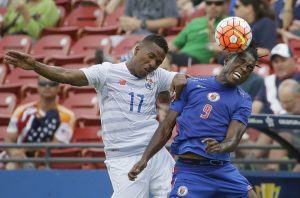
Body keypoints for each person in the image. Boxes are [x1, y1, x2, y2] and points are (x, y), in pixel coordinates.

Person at [4, 34, 187, 198]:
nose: (153, 64)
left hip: (156, 153)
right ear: (137, 49)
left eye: (158, 61)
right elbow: (67, 75)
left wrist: (179, 80)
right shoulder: (107, 72)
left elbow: (182, 79)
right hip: (125, 158)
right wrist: (35, 65)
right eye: (151, 57)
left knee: (179, 194)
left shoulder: (156, 75)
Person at [128, 43, 259, 197]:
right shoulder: (191, 85)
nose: (244, 68)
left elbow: (233, 139)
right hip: (190, 171)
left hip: (222, 170)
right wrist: (145, 159)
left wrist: (221, 146)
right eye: (242, 61)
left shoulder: (243, 100)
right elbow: (166, 127)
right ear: (228, 58)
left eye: (250, 68)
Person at [3, 76, 75, 170]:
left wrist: (24, 149)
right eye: (43, 84)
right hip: (19, 158)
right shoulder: (21, 111)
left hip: (45, 159)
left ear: (58, 88)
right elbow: (9, 139)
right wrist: (15, 153)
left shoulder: (68, 116)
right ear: (37, 87)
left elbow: (56, 144)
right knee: (12, 165)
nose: (47, 87)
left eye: (52, 84)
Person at [168, 0, 228, 66]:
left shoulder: (228, 24)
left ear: (226, 5)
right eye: (209, 3)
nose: (212, 6)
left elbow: (220, 53)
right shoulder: (195, 22)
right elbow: (174, 45)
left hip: (198, 62)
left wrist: (211, 32)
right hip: (182, 57)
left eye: (218, 3)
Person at [264, 79, 300, 171]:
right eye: (282, 102)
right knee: (267, 131)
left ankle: (290, 181)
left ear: (298, 97)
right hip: (288, 151)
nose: (284, 106)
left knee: (284, 136)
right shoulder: (284, 116)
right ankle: (250, 162)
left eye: (287, 102)